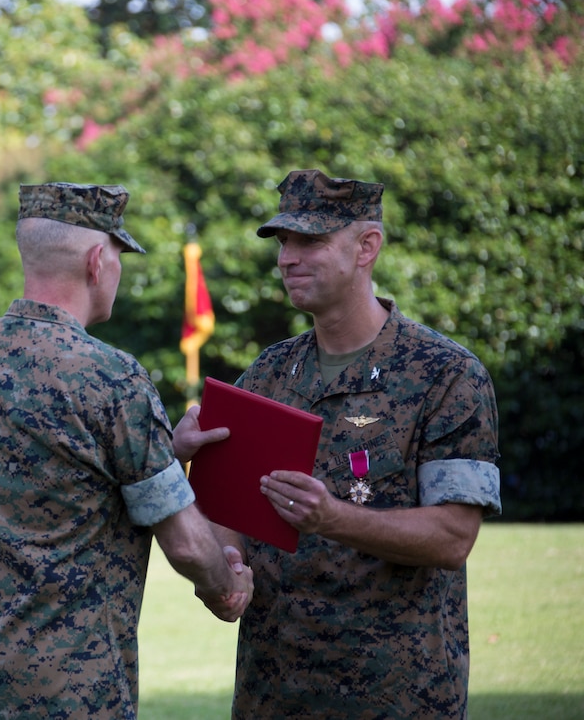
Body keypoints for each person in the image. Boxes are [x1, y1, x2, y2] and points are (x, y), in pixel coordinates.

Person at [0, 182, 254, 719]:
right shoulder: (113, 378)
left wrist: (161, 451)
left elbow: (27, 467)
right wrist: (227, 589)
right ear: (97, 261)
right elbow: (186, 545)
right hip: (68, 696)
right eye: (118, 255)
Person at [211, 169, 501, 718]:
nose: (287, 258)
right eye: (283, 242)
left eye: (311, 240)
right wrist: (225, 569)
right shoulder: (269, 373)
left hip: (395, 695)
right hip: (273, 693)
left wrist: (331, 517)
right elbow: (231, 512)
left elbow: (452, 537)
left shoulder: (445, 375)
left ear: (367, 246)